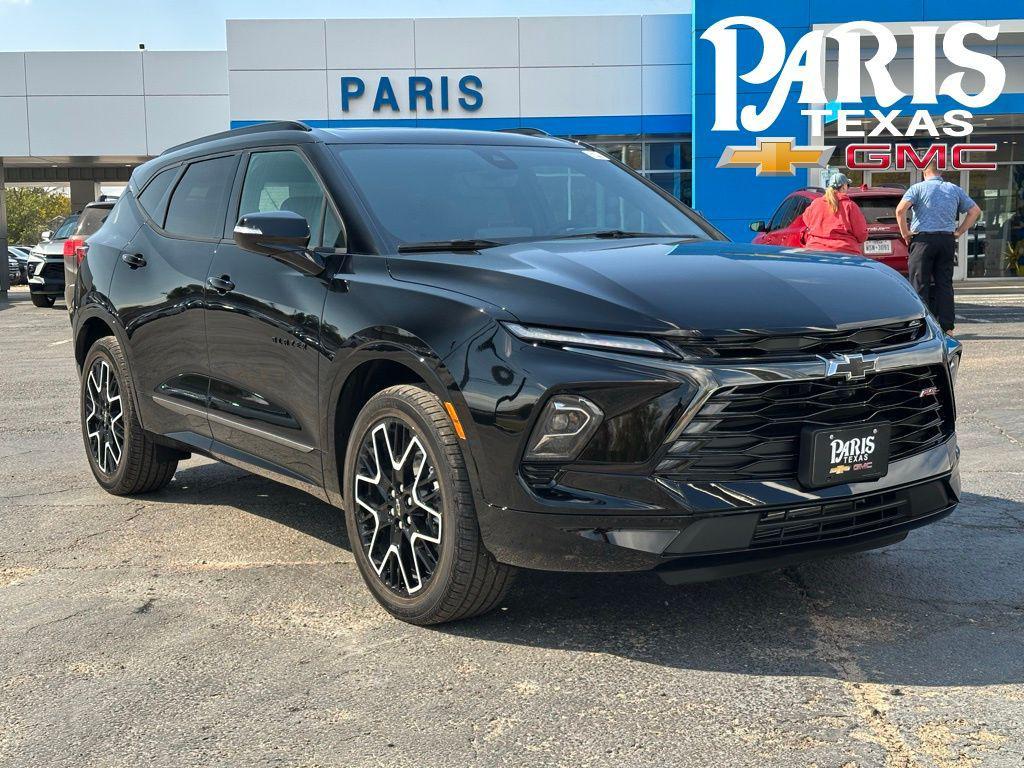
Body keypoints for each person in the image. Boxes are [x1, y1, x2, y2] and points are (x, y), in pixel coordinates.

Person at [896, 159, 982, 333]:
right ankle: (947, 327)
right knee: (944, 284)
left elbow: (900, 210)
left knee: (919, 284)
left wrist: (905, 233)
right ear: (940, 174)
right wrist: (959, 231)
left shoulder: (917, 188)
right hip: (946, 240)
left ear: (924, 173)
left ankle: (921, 327)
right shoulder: (954, 189)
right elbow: (975, 211)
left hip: (923, 241)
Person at [801, 170, 868, 255]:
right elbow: (861, 234)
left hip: (815, 251)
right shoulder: (850, 206)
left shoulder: (816, 203)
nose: (848, 188)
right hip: (845, 252)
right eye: (848, 185)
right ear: (843, 187)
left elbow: (806, 220)